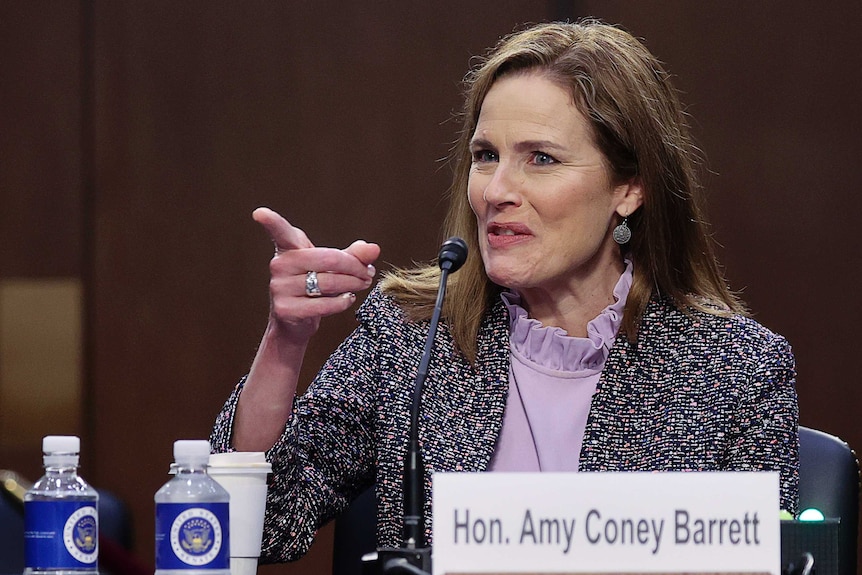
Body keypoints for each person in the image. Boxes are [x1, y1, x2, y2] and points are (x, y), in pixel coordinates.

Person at [210, 19, 798, 563]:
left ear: (630, 189)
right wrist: (286, 342)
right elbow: (256, 528)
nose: (496, 189)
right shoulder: (414, 337)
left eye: (541, 159)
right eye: (485, 156)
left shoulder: (734, 369)